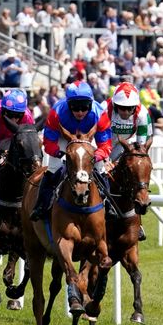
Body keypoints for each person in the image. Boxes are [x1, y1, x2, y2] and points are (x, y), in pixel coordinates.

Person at [32, 82, 112, 221]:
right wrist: (58, 153)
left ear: (91, 104)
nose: (80, 112)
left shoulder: (100, 114)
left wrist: (97, 156)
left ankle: (110, 206)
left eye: (84, 107)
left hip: (88, 138)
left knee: (101, 169)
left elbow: (105, 144)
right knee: (53, 168)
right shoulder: (56, 112)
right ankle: (41, 205)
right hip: (63, 139)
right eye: (75, 107)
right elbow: (49, 142)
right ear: (68, 105)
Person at [107, 81, 151, 148]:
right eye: (122, 108)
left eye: (130, 108)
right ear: (115, 105)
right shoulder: (104, 109)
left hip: (127, 143)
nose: (126, 112)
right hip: (104, 143)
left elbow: (142, 145)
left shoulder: (142, 114)